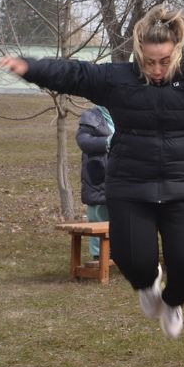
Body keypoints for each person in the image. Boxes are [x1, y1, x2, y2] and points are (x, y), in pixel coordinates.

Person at [0, 4, 184, 339]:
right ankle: (147, 283)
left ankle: (173, 301)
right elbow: (74, 73)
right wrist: (31, 68)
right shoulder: (118, 80)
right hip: (131, 186)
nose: (156, 69)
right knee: (133, 259)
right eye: (149, 61)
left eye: (164, 61)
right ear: (139, 54)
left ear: (178, 51)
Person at [76, 105, 114, 259]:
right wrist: (108, 141)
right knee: (98, 214)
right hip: (98, 172)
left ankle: (118, 251)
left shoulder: (125, 111)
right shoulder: (91, 116)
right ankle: (99, 255)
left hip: (122, 174)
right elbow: (83, 141)